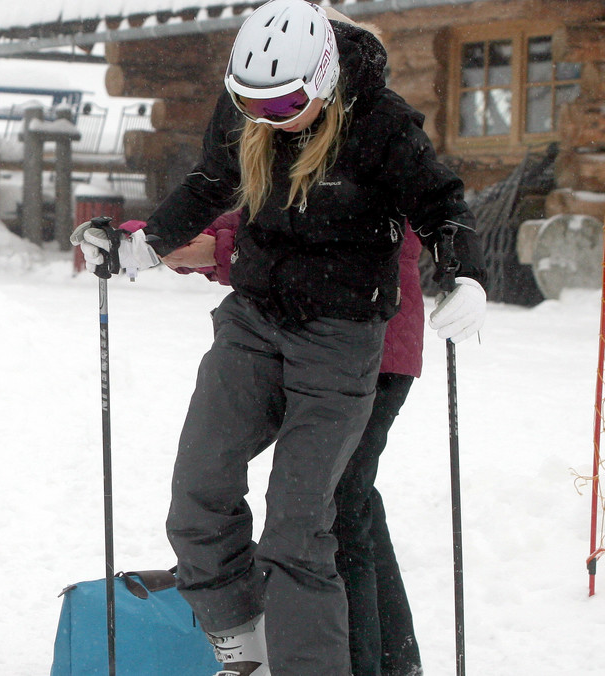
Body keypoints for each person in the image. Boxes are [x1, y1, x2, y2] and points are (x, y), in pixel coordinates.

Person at [74, 0, 487, 673]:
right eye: (250, 100)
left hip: (342, 337)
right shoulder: (252, 115)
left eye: (286, 100)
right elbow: (211, 181)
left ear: (323, 79)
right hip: (256, 318)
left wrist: (466, 276)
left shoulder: (380, 125)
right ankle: (243, 649)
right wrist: (148, 245)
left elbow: (442, 204)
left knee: (299, 525)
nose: (267, 115)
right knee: (198, 491)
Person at [170, 208, 426, 676]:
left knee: (328, 512)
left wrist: (224, 251)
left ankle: (364, 664)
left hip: (369, 345)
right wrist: (172, 234)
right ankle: (396, 660)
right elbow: (260, 214)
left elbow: (335, 241)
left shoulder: (373, 148)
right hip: (324, 340)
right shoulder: (294, 148)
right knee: (351, 502)